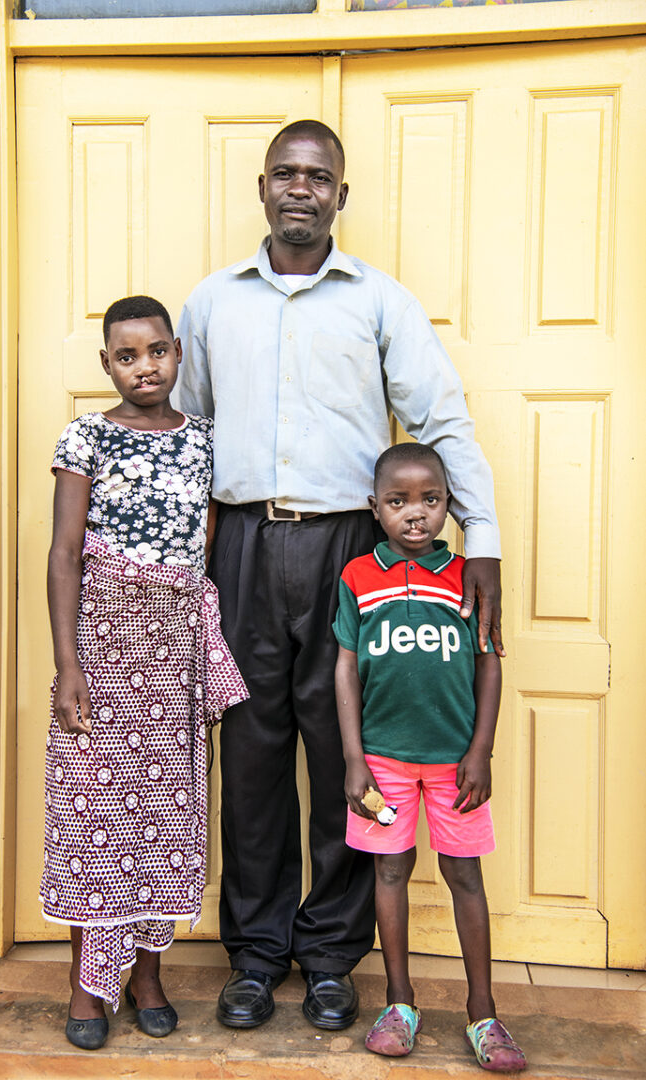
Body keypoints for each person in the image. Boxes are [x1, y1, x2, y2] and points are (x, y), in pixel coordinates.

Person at [175, 119, 504, 1032]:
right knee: (248, 753)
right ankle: (254, 954)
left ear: (340, 196)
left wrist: (483, 540)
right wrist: (178, 568)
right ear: (262, 186)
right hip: (240, 545)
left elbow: (441, 418)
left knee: (346, 759)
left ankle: (328, 954)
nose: (300, 189)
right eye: (284, 173)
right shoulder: (211, 303)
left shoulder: (378, 302)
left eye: (318, 177)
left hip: (348, 554)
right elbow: (190, 437)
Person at [41, 295, 248, 1050]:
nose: (144, 367)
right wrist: (68, 666)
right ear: (106, 364)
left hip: (171, 655)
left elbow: (204, 551)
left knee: (162, 816)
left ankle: (148, 975)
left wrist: (198, 646)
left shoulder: (203, 442)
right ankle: (86, 987)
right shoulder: (85, 437)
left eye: (156, 351)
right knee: (93, 816)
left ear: (177, 353)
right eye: (126, 356)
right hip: (103, 646)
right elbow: (65, 554)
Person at [333, 441, 525, 1072]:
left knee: (465, 876)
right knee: (389, 873)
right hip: (382, 762)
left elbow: (489, 666)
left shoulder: (468, 575)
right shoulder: (358, 577)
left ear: (448, 505)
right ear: (374, 508)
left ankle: (483, 1012)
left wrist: (481, 751)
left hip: (454, 763)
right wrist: (354, 758)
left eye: (430, 500)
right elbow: (346, 669)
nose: (414, 514)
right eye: (398, 501)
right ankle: (399, 1003)